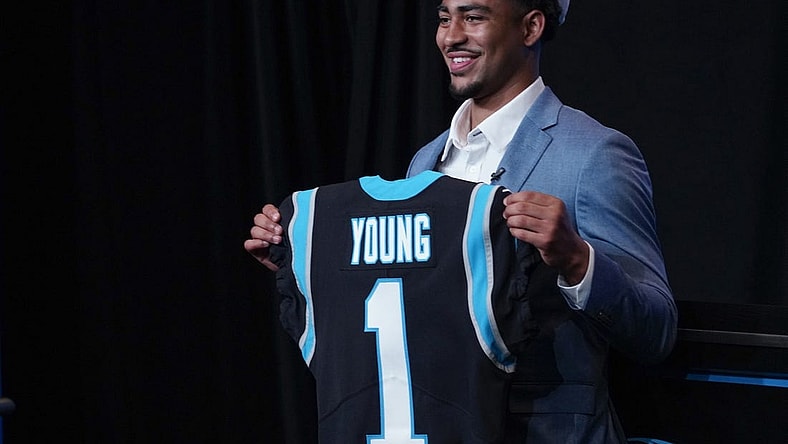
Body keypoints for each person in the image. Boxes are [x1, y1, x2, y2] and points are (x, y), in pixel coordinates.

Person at [244, 0, 678, 442]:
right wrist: (301, 263)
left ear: (530, 27)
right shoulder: (425, 163)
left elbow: (657, 331)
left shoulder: (594, 155)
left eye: (473, 17)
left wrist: (577, 261)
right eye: (443, 17)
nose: (451, 36)